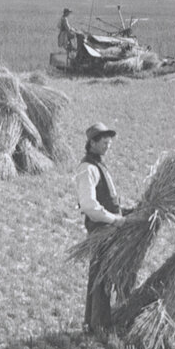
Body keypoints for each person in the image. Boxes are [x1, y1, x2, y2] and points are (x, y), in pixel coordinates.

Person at [74, 122, 127, 334]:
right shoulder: (87, 169)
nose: (107, 145)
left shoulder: (99, 165)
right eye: (103, 142)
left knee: (101, 275)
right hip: (101, 230)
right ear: (92, 143)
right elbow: (89, 206)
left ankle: (95, 322)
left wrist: (126, 212)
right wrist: (114, 220)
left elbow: (108, 198)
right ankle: (98, 325)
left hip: (110, 227)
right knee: (100, 277)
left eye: (109, 142)